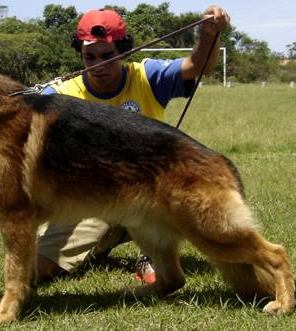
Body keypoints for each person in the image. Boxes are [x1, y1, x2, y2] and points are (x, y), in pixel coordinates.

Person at [37, 6, 230, 282]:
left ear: (124, 50)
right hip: (94, 201)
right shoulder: (61, 96)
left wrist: (209, 33)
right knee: (40, 269)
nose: (98, 65)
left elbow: (198, 66)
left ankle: (150, 251)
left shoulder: (147, 76)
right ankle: (105, 240)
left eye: (107, 56)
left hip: (153, 197)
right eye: (89, 57)